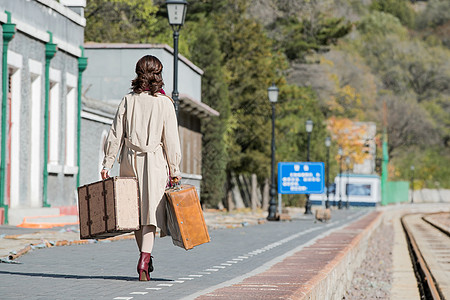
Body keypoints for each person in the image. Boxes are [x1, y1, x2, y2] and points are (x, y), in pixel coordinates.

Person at [100, 55, 181, 281]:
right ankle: (145, 258)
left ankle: (144, 257)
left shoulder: (127, 100)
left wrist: (107, 163)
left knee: (135, 213)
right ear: (158, 74)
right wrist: (175, 170)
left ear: (138, 73)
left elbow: (115, 134)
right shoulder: (165, 103)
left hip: (130, 160)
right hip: (155, 162)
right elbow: (172, 141)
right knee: (150, 214)